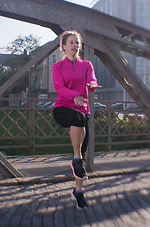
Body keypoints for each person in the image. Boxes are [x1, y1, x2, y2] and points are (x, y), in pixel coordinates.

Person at [52, 30, 102, 210]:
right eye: (71, 42)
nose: (75, 45)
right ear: (64, 46)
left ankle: (78, 192)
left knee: (84, 150)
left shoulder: (87, 64)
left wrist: (91, 85)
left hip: (83, 110)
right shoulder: (57, 67)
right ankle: (76, 158)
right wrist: (75, 96)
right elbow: (59, 87)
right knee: (78, 118)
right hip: (63, 108)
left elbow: (91, 79)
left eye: (77, 43)